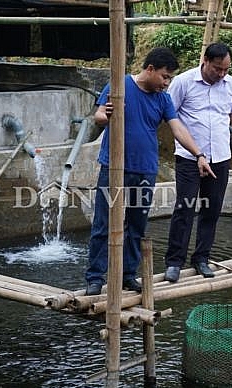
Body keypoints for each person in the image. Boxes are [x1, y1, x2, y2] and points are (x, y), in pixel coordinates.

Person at [85, 47, 214, 296]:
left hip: (145, 170)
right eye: (164, 77)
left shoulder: (163, 99)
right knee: (103, 224)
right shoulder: (120, 85)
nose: (166, 83)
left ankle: (127, 275)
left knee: (136, 226)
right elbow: (99, 114)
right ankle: (95, 277)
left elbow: (178, 129)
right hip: (114, 168)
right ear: (150, 69)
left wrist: (198, 154)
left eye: (169, 79)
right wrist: (104, 116)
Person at [163, 42, 232, 283]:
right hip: (189, 158)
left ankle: (201, 258)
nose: (221, 74)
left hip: (219, 157)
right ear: (205, 62)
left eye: (226, 70)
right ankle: (174, 262)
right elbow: (170, 114)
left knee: (212, 210)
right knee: (184, 208)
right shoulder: (183, 82)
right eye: (217, 69)